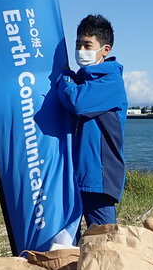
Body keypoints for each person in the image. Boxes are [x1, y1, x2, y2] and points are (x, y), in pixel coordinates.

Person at [54, 14, 128, 227]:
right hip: (75, 175)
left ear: (105, 49)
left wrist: (64, 79)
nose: (81, 51)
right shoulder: (81, 79)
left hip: (98, 177)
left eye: (88, 45)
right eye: (78, 45)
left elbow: (78, 103)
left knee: (104, 241)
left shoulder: (111, 81)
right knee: (70, 244)